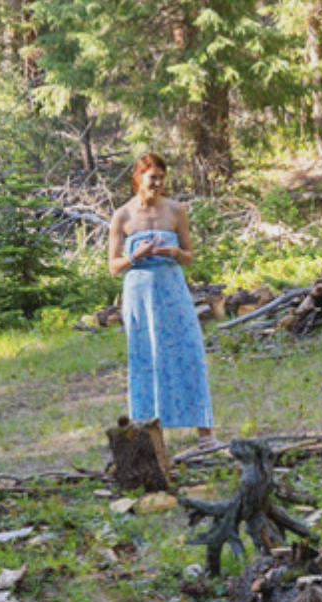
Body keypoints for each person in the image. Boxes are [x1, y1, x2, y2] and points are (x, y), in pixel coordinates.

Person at [107, 153, 214, 444]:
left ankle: (205, 432)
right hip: (140, 294)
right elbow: (113, 266)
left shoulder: (176, 210)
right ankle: (150, 434)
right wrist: (135, 256)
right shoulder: (123, 215)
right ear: (138, 178)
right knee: (147, 355)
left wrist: (176, 253)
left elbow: (189, 257)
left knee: (189, 352)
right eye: (153, 177)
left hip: (172, 289)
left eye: (162, 178)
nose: (158, 183)